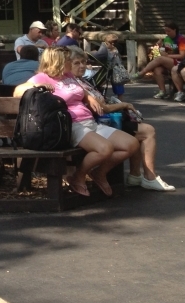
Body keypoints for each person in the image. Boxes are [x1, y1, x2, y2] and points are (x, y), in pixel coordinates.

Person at [14, 46, 139, 197]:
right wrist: (36, 86)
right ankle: (78, 177)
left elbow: (80, 91)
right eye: (68, 59)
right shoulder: (43, 77)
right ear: (58, 61)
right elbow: (18, 91)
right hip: (71, 125)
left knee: (131, 145)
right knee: (104, 149)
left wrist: (89, 97)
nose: (70, 61)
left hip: (89, 121)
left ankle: (99, 173)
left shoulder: (68, 75)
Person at [68, 48, 175, 192]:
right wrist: (124, 104)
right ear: (68, 64)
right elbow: (102, 108)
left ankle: (136, 175)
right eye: (77, 63)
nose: (82, 66)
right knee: (146, 131)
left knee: (143, 131)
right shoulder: (74, 84)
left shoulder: (83, 81)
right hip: (99, 120)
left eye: (83, 62)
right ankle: (148, 176)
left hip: (102, 119)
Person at [136, 21, 185, 99]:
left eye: (169, 31)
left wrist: (168, 56)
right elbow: (162, 52)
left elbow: (182, 55)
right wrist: (159, 47)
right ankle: (162, 91)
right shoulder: (166, 39)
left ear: (174, 30)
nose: (167, 33)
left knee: (160, 59)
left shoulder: (181, 39)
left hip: (180, 62)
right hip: (168, 61)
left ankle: (142, 72)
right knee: (157, 70)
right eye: (165, 31)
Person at [94, 32, 127, 97]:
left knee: (118, 86)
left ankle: (120, 101)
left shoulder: (114, 50)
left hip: (116, 71)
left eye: (114, 42)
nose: (112, 44)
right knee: (110, 84)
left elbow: (111, 58)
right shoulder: (108, 49)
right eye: (110, 43)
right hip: (111, 70)